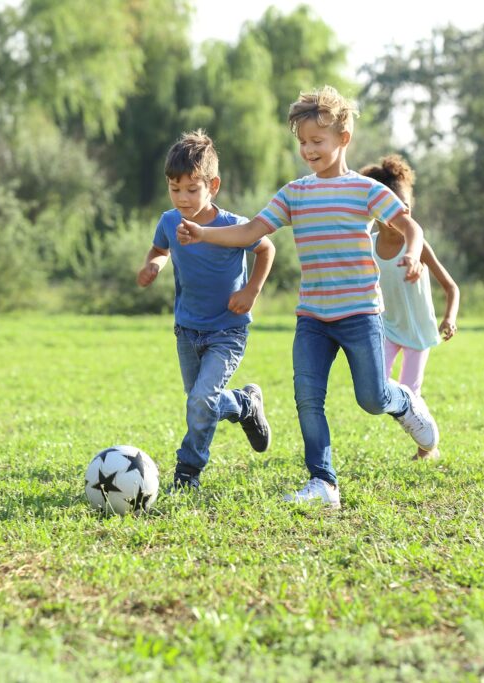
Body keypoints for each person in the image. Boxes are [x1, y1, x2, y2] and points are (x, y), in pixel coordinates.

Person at [177, 86, 439, 508]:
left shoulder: (365, 191)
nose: (309, 149)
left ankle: (405, 401)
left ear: (343, 139)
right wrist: (204, 232)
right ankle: (324, 484)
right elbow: (251, 232)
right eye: (302, 142)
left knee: (372, 398)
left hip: (359, 314)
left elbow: (410, 227)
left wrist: (411, 252)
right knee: (307, 399)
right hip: (313, 317)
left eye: (317, 140)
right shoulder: (295, 193)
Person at [137, 129, 276, 490]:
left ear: (213, 185)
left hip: (228, 330)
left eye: (191, 189)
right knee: (202, 402)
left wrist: (252, 290)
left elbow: (266, 250)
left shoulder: (233, 226)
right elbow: (160, 250)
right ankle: (246, 405)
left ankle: (188, 470)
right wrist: (154, 265)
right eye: (174, 188)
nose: (182, 198)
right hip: (187, 328)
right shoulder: (169, 221)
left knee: (202, 400)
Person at [360, 154, 459, 460]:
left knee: (410, 392)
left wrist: (449, 319)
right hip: (387, 328)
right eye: (392, 207)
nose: (401, 213)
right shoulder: (368, 243)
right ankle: (419, 429)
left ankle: (426, 448)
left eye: (406, 206)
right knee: (375, 385)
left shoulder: (416, 243)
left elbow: (451, 287)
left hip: (417, 331)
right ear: (374, 210)